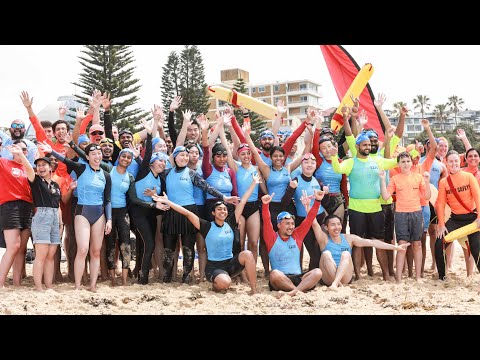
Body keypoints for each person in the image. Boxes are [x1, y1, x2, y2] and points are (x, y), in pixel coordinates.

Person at [153, 173, 261, 295]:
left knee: (247, 254)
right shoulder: (206, 226)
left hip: (231, 264)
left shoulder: (231, 223)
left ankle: (254, 290)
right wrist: (168, 202)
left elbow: (243, 202)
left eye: (224, 209)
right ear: (213, 213)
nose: (223, 211)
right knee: (225, 283)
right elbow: (187, 213)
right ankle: (216, 284)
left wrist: (253, 183)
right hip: (214, 267)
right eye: (219, 209)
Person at [40, 142, 112, 292]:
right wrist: (51, 151)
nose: (97, 156)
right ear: (87, 156)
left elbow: (107, 200)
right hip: (82, 212)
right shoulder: (81, 168)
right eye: (93, 154)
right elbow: (66, 160)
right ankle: (78, 286)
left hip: (100, 214)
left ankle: (92, 285)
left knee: (96, 251)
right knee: (83, 249)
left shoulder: (106, 175)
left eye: (99, 153)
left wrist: (109, 219)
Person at [310, 212, 409, 288]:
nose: (337, 227)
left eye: (338, 224)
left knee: (346, 254)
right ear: (326, 228)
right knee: (326, 254)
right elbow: (314, 223)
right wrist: (307, 207)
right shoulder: (323, 239)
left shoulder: (349, 238)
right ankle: (336, 283)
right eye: (333, 225)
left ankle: (336, 283)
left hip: (345, 276)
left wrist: (395, 247)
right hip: (328, 277)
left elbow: (372, 242)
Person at [261, 189, 324, 297]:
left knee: (318, 272)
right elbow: (266, 220)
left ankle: (293, 292)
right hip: (281, 279)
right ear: (279, 225)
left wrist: (317, 200)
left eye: (292, 224)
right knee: (274, 274)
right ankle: (298, 291)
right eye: (287, 224)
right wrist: (265, 205)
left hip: (298, 277)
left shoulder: (297, 235)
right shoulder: (271, 237)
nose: (291, 227)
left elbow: (309, 219)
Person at [379, 153, 431, 282]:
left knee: (417, 244)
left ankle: (418, 276)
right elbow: (386, 196)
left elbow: (427, 197)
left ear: (411, 163)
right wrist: (381, 179)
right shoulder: (395, 178)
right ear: (398, 164)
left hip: (417, 213)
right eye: (403, 161)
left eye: (408, 161)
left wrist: (427, 182)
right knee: (402, 245)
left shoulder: (418, 177)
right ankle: (399, 279)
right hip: (401, 214)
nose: (406, 163)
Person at [435, 150, 480, 280]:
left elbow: (478, 198)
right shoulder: (444, 182)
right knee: (439, 243)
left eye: (456, 161)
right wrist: (441, 224)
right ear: (446, 163)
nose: (454, 163)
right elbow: (440, 204)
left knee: (476, 249)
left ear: (459, 162)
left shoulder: (468, 177)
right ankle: (442, 276)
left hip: (472, 217)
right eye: (451, 161)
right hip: (455, 219)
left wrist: (479, 218)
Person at [24, 154, 61, 291]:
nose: (41, 167)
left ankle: (49, 285)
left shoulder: (56, 185)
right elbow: (28, 168)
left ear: (50, 167)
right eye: (38, 165)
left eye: (43, 164)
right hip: (42, 216)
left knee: (51, 255)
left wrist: (60, 223)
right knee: (41, 254)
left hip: (54, 217)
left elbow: (58, 205)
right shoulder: (36, 181)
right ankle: (39, 287)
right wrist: (22, 155)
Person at [0, 142, 34, 289]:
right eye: (17, 148)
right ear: (11, 150)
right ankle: (0, 282)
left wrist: (21, 155)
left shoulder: (29, 168)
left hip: (27, 207)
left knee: (22, 248)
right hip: (10, 205)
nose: (21, 151)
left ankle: (17, 282)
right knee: (13, 246)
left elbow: (32, 177)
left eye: (24, 149)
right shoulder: (4, 163)